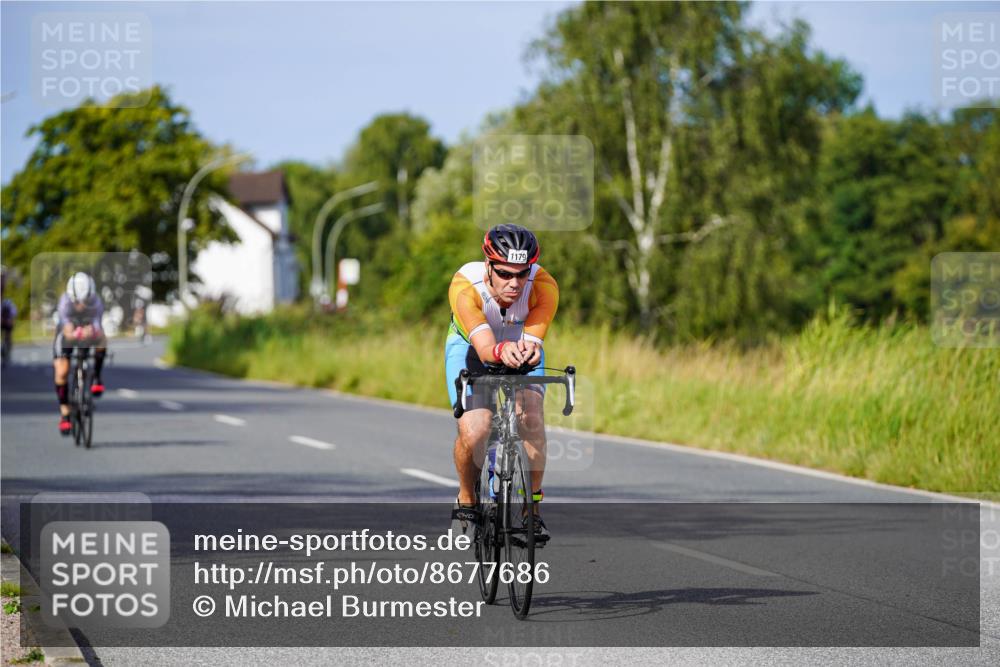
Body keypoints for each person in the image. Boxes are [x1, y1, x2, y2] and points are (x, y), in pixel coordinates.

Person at [446, 224, 559, 542]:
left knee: (531, 417)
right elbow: (485, 348)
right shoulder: (465, 285)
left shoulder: (544, 285)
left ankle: (531, 511)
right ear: (488, 266)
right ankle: (467, 497)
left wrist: (527, 351)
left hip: (519, 344)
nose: (514, 283)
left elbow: (532, 344)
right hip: (471, 347)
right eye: (505, 274)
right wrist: (498, 351)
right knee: (476, 429)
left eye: (522, 274)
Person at [53, 272, 107, 435]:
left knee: (102, 338)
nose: (82, 305)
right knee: (62, 371)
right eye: (78, 301)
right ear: (72, 297)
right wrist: (73, 333)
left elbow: (97, 325)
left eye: (86, 301)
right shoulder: (65, 302)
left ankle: (96, 376)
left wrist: (92, 332)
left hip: (87, 328)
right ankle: (65, 413)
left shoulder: (96, 302)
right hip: (67, 333)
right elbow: (67, 329)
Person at [1, 268, 16, 365]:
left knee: (8, 332)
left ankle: (8, 348)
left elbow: (13, 312)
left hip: (6, 320)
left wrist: (9, 320)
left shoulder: (8, 302)